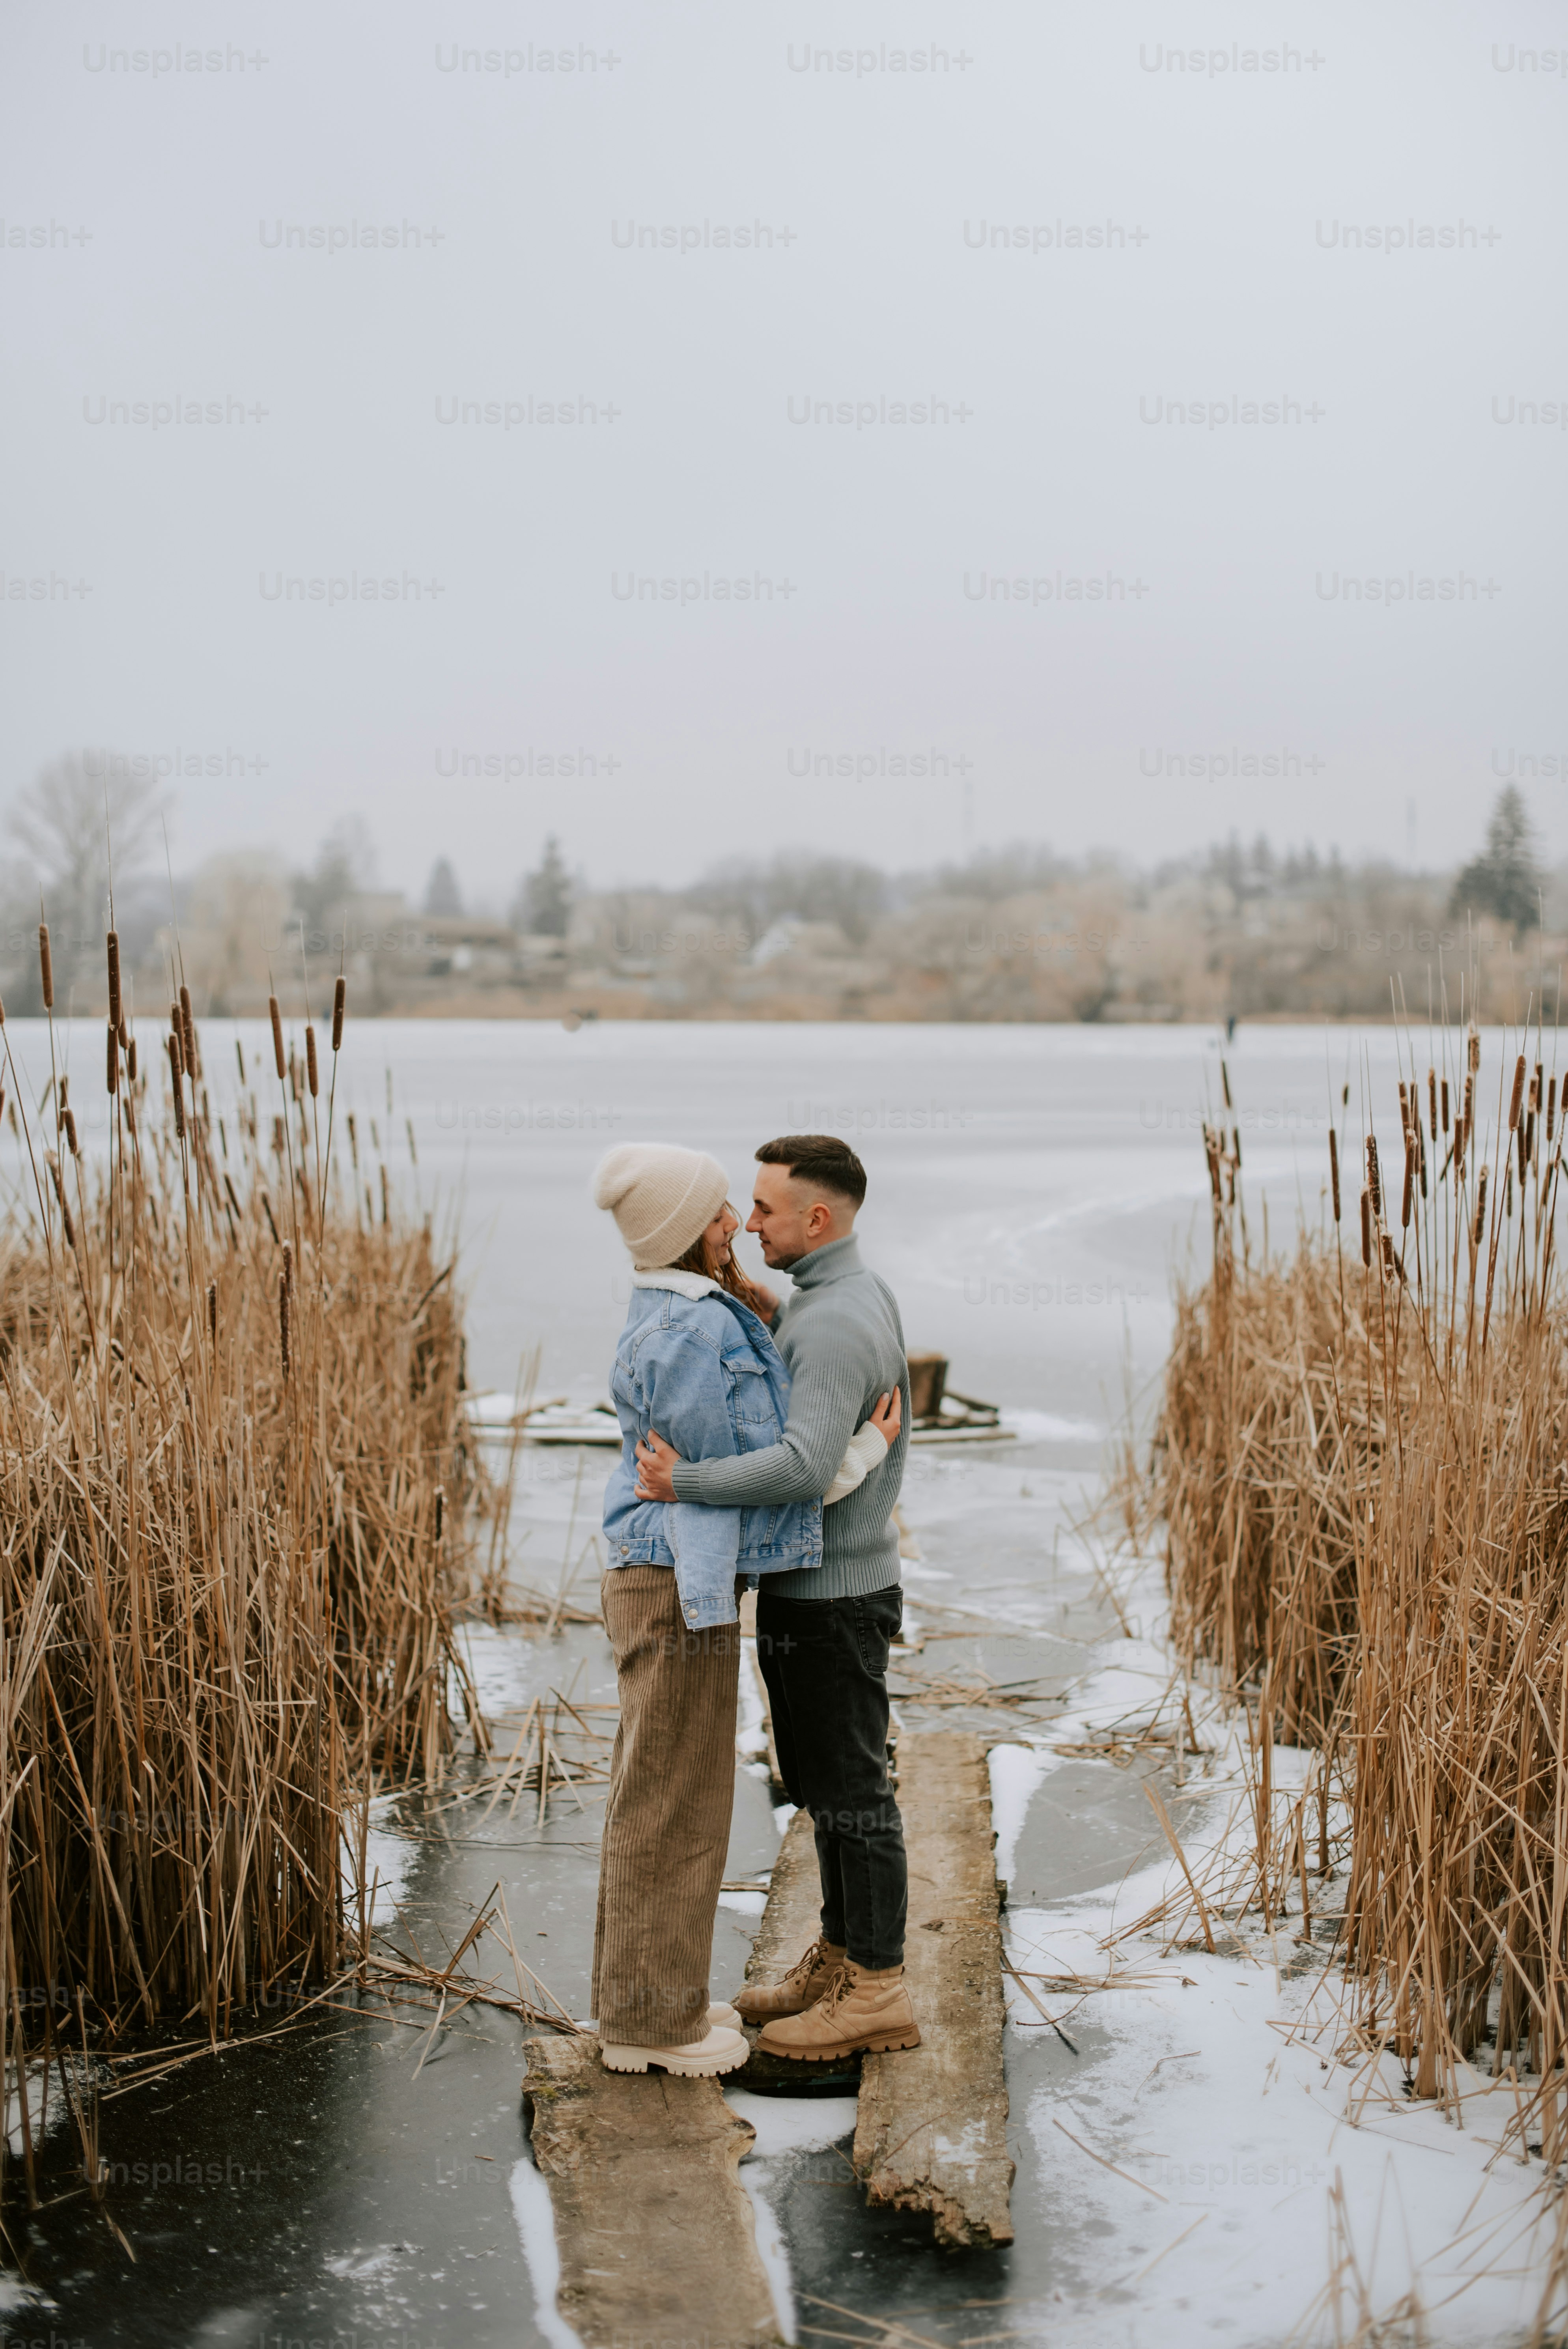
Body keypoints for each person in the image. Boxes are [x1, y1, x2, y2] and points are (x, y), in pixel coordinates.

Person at [590, 1141, 900, 2079]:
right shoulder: (706, 1327)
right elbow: (774, 1479)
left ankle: (865, 1981)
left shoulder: (779, 1317)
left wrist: (694, 1475)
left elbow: (782, 1469)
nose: (742, 1224)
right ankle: (654, 2016)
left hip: (772, 1589)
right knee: (675, 1802)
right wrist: (855, 1455)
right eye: (730, 1209)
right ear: (688, 1234)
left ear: (817, 1219)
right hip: (680, 1585)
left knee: (803, 1793)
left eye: (756, 1207)